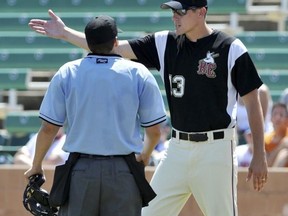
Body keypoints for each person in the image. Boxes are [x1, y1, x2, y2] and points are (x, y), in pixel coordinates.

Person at [28, 1, 268, 215]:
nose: (175, 16)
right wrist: (65, 33)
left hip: (216, 149)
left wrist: (260, 154)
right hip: (177, 148)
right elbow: (111, 47)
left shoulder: (231, 47)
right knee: (148, 213)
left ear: (201, 12)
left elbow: (252, 102)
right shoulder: (165, 42)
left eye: (181, 11)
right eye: (173, 11)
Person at [25, 15, 166, 216]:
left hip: (80, 172)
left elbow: (49, 128)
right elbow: (154, 130)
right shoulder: (139, 73)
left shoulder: (68, 71)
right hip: (124, 172)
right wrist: (144, 156)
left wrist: (36, 165)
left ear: (88, 43)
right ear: (116, 42)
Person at [264, 102, 288, 167]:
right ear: (271, 119)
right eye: (275, 114)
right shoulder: (266, 140)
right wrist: (281, 146)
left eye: (281, 115)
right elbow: (267, 165)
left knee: (284, 154)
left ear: (287, 120)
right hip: (272, 174)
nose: (278, 118)